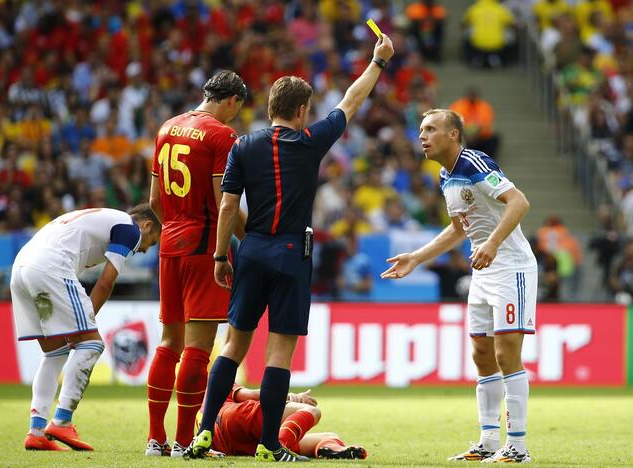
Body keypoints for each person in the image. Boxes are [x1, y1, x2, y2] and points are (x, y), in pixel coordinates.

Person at [186, 34, 394, 462]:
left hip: (253, 250)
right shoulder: (312, 141)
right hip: (292, 254)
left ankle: (203, 433)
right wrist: (378, 62)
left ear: (268, 109)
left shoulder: (242, 146)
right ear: (302, 111)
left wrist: (222, 255)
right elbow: (351, 102)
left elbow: (227, 206)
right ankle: (268, 445)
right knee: (278, 352)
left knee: (232, 348)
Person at [381, 109, 536, 464]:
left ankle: (518, 447)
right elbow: (458, 228)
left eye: (431, 129)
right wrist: (417, 258)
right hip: (483, 269)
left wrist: (494, 243)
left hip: (510, 266)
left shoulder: (474, 163)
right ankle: (487, 440)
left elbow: (519, 202)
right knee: (481, 355)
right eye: (421, 130)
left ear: (453, 135)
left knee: (506, 353)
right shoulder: (445, 175)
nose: (422, 136)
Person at [145, 70, 247, 458]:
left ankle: (156, 439)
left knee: (168, 343)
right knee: (198, 350)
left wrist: (174, 223)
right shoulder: (221, 136)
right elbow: (227, 202)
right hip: (204, 246)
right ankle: (185, 442)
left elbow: (155, 201)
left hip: (169, 244)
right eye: (238, 107)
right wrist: (249, 237)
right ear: (233, 100)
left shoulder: (166, 128)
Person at [12, 204, 161, 451]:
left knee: (54, 352)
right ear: (146, 225)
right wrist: (86, 322)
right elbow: (105, 283)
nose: (145, 250)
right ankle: (62, 420)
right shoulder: (129, 229)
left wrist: (77, 325)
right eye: (152, 241)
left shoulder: (101, 219)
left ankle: (36, 431)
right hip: (49, 266)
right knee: (92, 343)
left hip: (21, 268)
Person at [209, 385, 367, 460]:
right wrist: (291, 397)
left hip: (226, 444)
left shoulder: (201, 402)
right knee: (311, 411)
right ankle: (279, 449)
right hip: (233, 417)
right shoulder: (221, 379)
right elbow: (251, 394)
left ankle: (334, 450)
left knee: (329, 436)